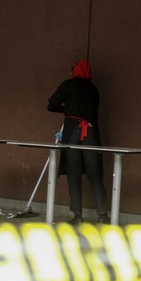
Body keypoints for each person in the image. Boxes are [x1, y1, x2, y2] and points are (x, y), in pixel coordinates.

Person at [47, 60, 110, 225]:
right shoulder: (94, 89)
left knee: (73, 173)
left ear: (75, 71)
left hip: (72, 130)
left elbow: (52, 104)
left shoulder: (68, 85)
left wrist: (66, 110)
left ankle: (77, 215)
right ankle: (103, 215)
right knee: (95, 174)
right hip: (90, 131)